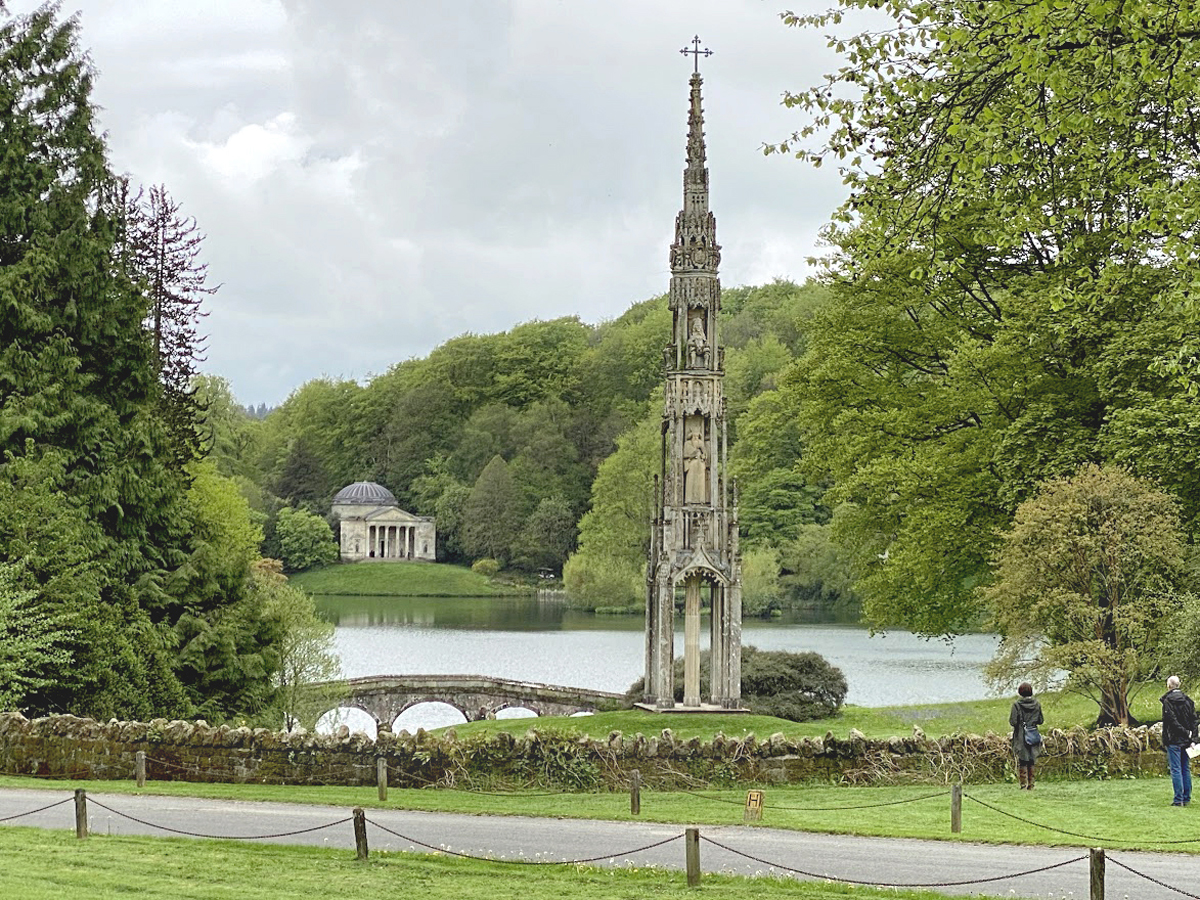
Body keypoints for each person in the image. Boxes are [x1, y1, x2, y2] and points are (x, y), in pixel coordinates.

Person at [1161, 675, 1198, 806]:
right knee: (1185, 768)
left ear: (1168, 685)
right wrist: (1193, 737)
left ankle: (1178, 799)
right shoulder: (1188, 701)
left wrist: (1186, 733)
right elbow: (1194, 720)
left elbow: (1171, 721)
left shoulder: (1168, 702)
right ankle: (1186, 797)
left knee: (1176, 769)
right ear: (1179, 684)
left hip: (1174, 739)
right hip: (1187, 740)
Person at [1009, 682, 1044, 789]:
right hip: (1033, 734)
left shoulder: (1016, 705)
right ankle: (1031, 784)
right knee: (1032, 760)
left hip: (1021, 735)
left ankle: (1023, 784)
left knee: (1022, 761)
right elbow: (1041, 720)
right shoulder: (1037, 704)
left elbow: (1013, 722)